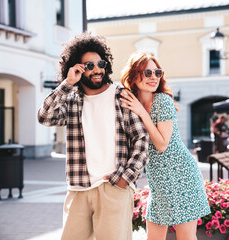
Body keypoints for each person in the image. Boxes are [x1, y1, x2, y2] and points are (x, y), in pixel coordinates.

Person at [37, 33, 149, 240]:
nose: (98, 69)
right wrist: (67, 84)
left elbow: (141, 139)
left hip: (114, 186)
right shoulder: (71, 100)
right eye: (89, 66)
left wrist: (127, 177)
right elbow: (45, 117)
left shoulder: (121, 96)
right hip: (78, 188)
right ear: (77, 68)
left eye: (101, 64)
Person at [120, 52, 210, 240]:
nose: (153, 77)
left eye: (157, 72)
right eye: (147, 73)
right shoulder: (130, 104)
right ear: (134, 76)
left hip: (182, 176)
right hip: (158, 181)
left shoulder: (162, 101)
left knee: (186, 238)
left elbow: (161, 145)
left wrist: (142, 113)